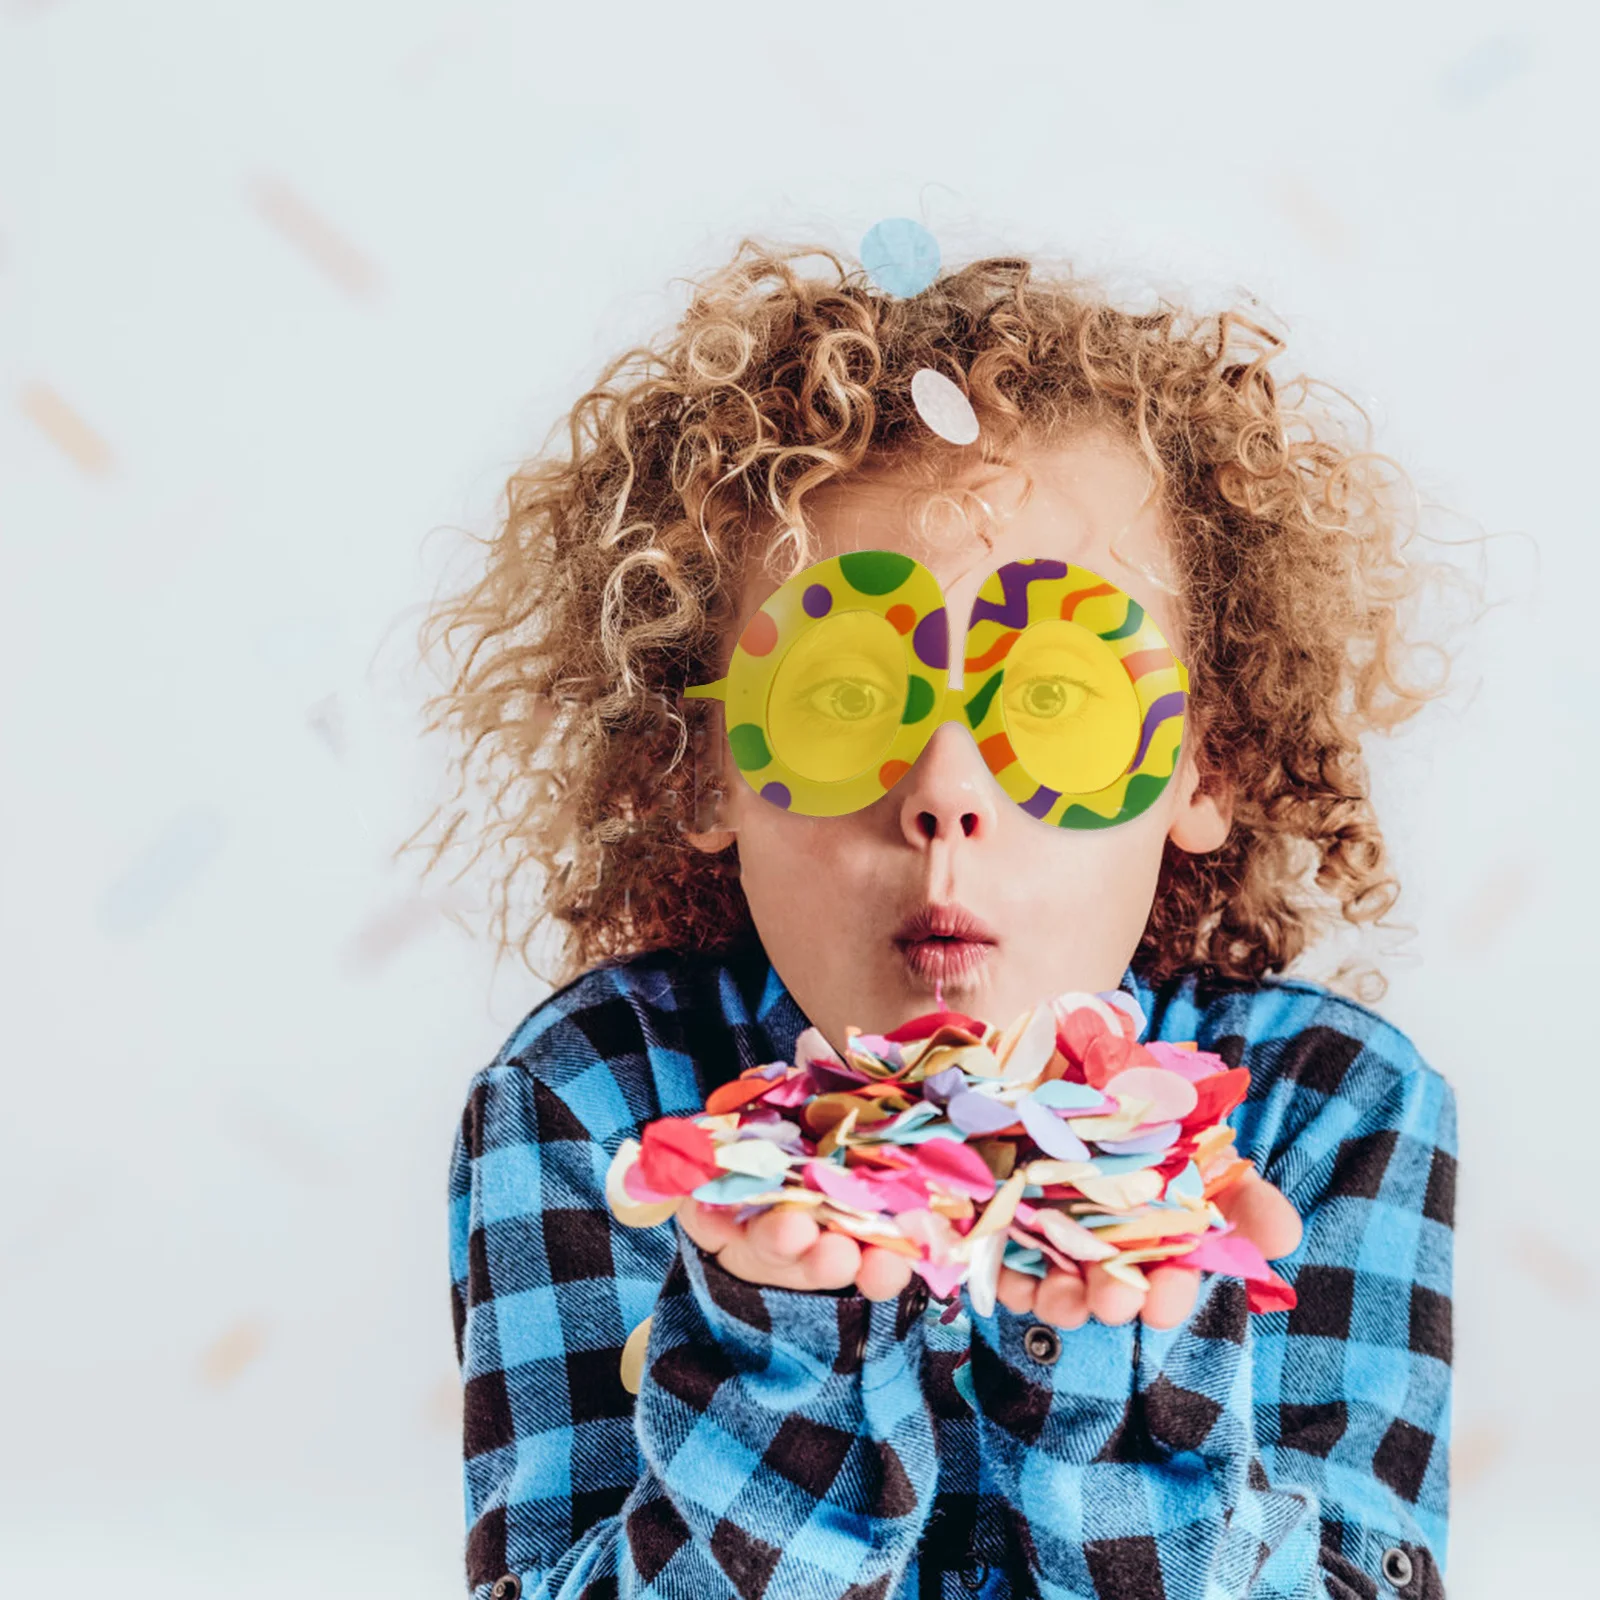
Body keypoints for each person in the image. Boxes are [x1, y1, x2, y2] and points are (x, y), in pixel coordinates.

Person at [423, 239, 1461, 1600]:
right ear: (704, 764)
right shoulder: (596, 1116)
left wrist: (1125, 1381)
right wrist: (775, 1350)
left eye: (1059, 702)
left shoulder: (1330, 1118)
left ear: (1203, 768)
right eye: (847, 700)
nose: (946, 795)